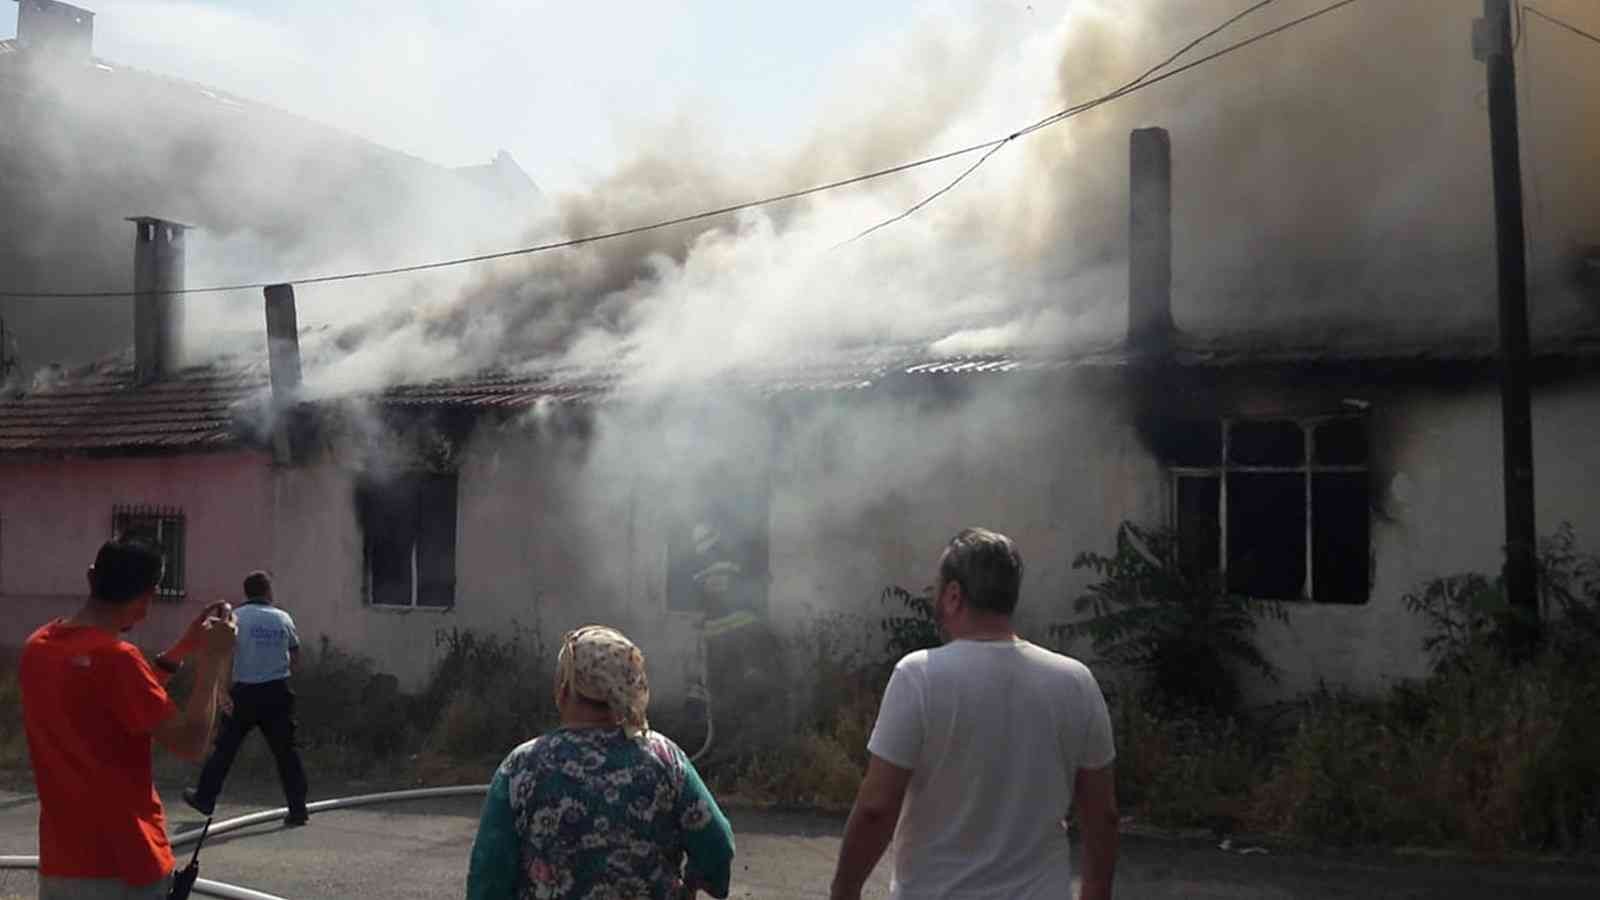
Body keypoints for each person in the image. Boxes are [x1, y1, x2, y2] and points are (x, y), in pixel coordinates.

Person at [830, 528, 1120, 900]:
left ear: (953, 595)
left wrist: (844, 889)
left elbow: (875, 808)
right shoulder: (1076, 682)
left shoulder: (919, 676)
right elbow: (1103, 816)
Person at [19, 538, 236, 900]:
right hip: (126, 864)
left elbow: (112, 695)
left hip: (61, 865)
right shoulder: (119, 659)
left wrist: (183, 648)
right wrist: (213, 660)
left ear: (92, 578)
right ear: (147, 598)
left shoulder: (38, 646)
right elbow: (191, 743)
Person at [466, 625, 736, 900]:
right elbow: (717, 843)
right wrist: (693, 884)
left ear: (564, 689)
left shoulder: (522, 766)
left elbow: (489, 870)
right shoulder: (665, 758)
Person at [184, 570, 309, 826]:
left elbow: (220, 655)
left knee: (225, 749)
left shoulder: (235, 618)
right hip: (277, 692)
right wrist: (284, 678)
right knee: (287, 752)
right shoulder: (283, 618)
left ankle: (205, 798)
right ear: (267, 591)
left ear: (247, 592)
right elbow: (295, 656)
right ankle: (298, 809)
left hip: (244, 694)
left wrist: (221, 690)